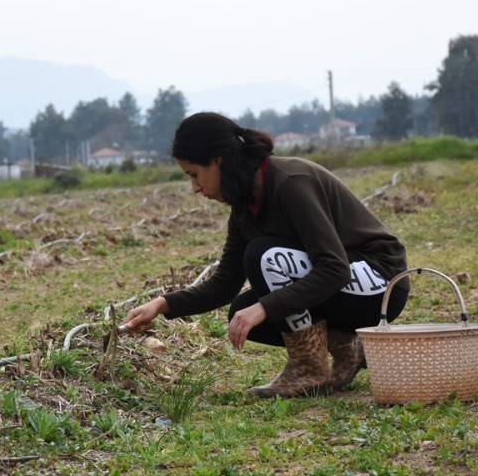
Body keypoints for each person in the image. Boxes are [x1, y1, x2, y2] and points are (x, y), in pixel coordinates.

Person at [123, 112, 409, 397]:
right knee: (240, 313)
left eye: (195, 175)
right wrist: (162, 305)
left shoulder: (289, 183)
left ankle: (308, 368)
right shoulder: (244, 207)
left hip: (381, 283)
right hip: (346, 286)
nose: (195, 188)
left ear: (218, 160)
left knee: (263, 258)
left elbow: (334, 268)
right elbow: (224, 284)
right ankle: (349, 346)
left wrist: (265, 308)